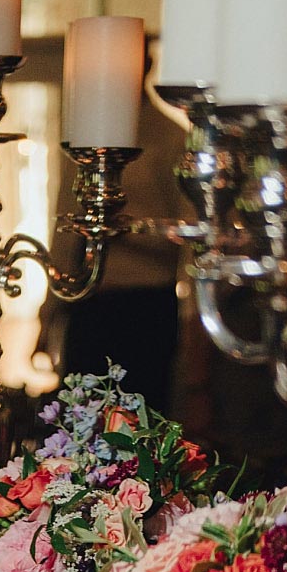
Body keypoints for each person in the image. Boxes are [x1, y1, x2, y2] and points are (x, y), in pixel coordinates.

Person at [58, 79, 183, 413]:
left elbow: (188, 234)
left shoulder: (168, 136)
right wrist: (50, 310)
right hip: (88, 301)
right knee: (78, 418)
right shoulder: (83, 135)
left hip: (144, 307)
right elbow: (64, 225)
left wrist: (125, 227)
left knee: (140, 421)